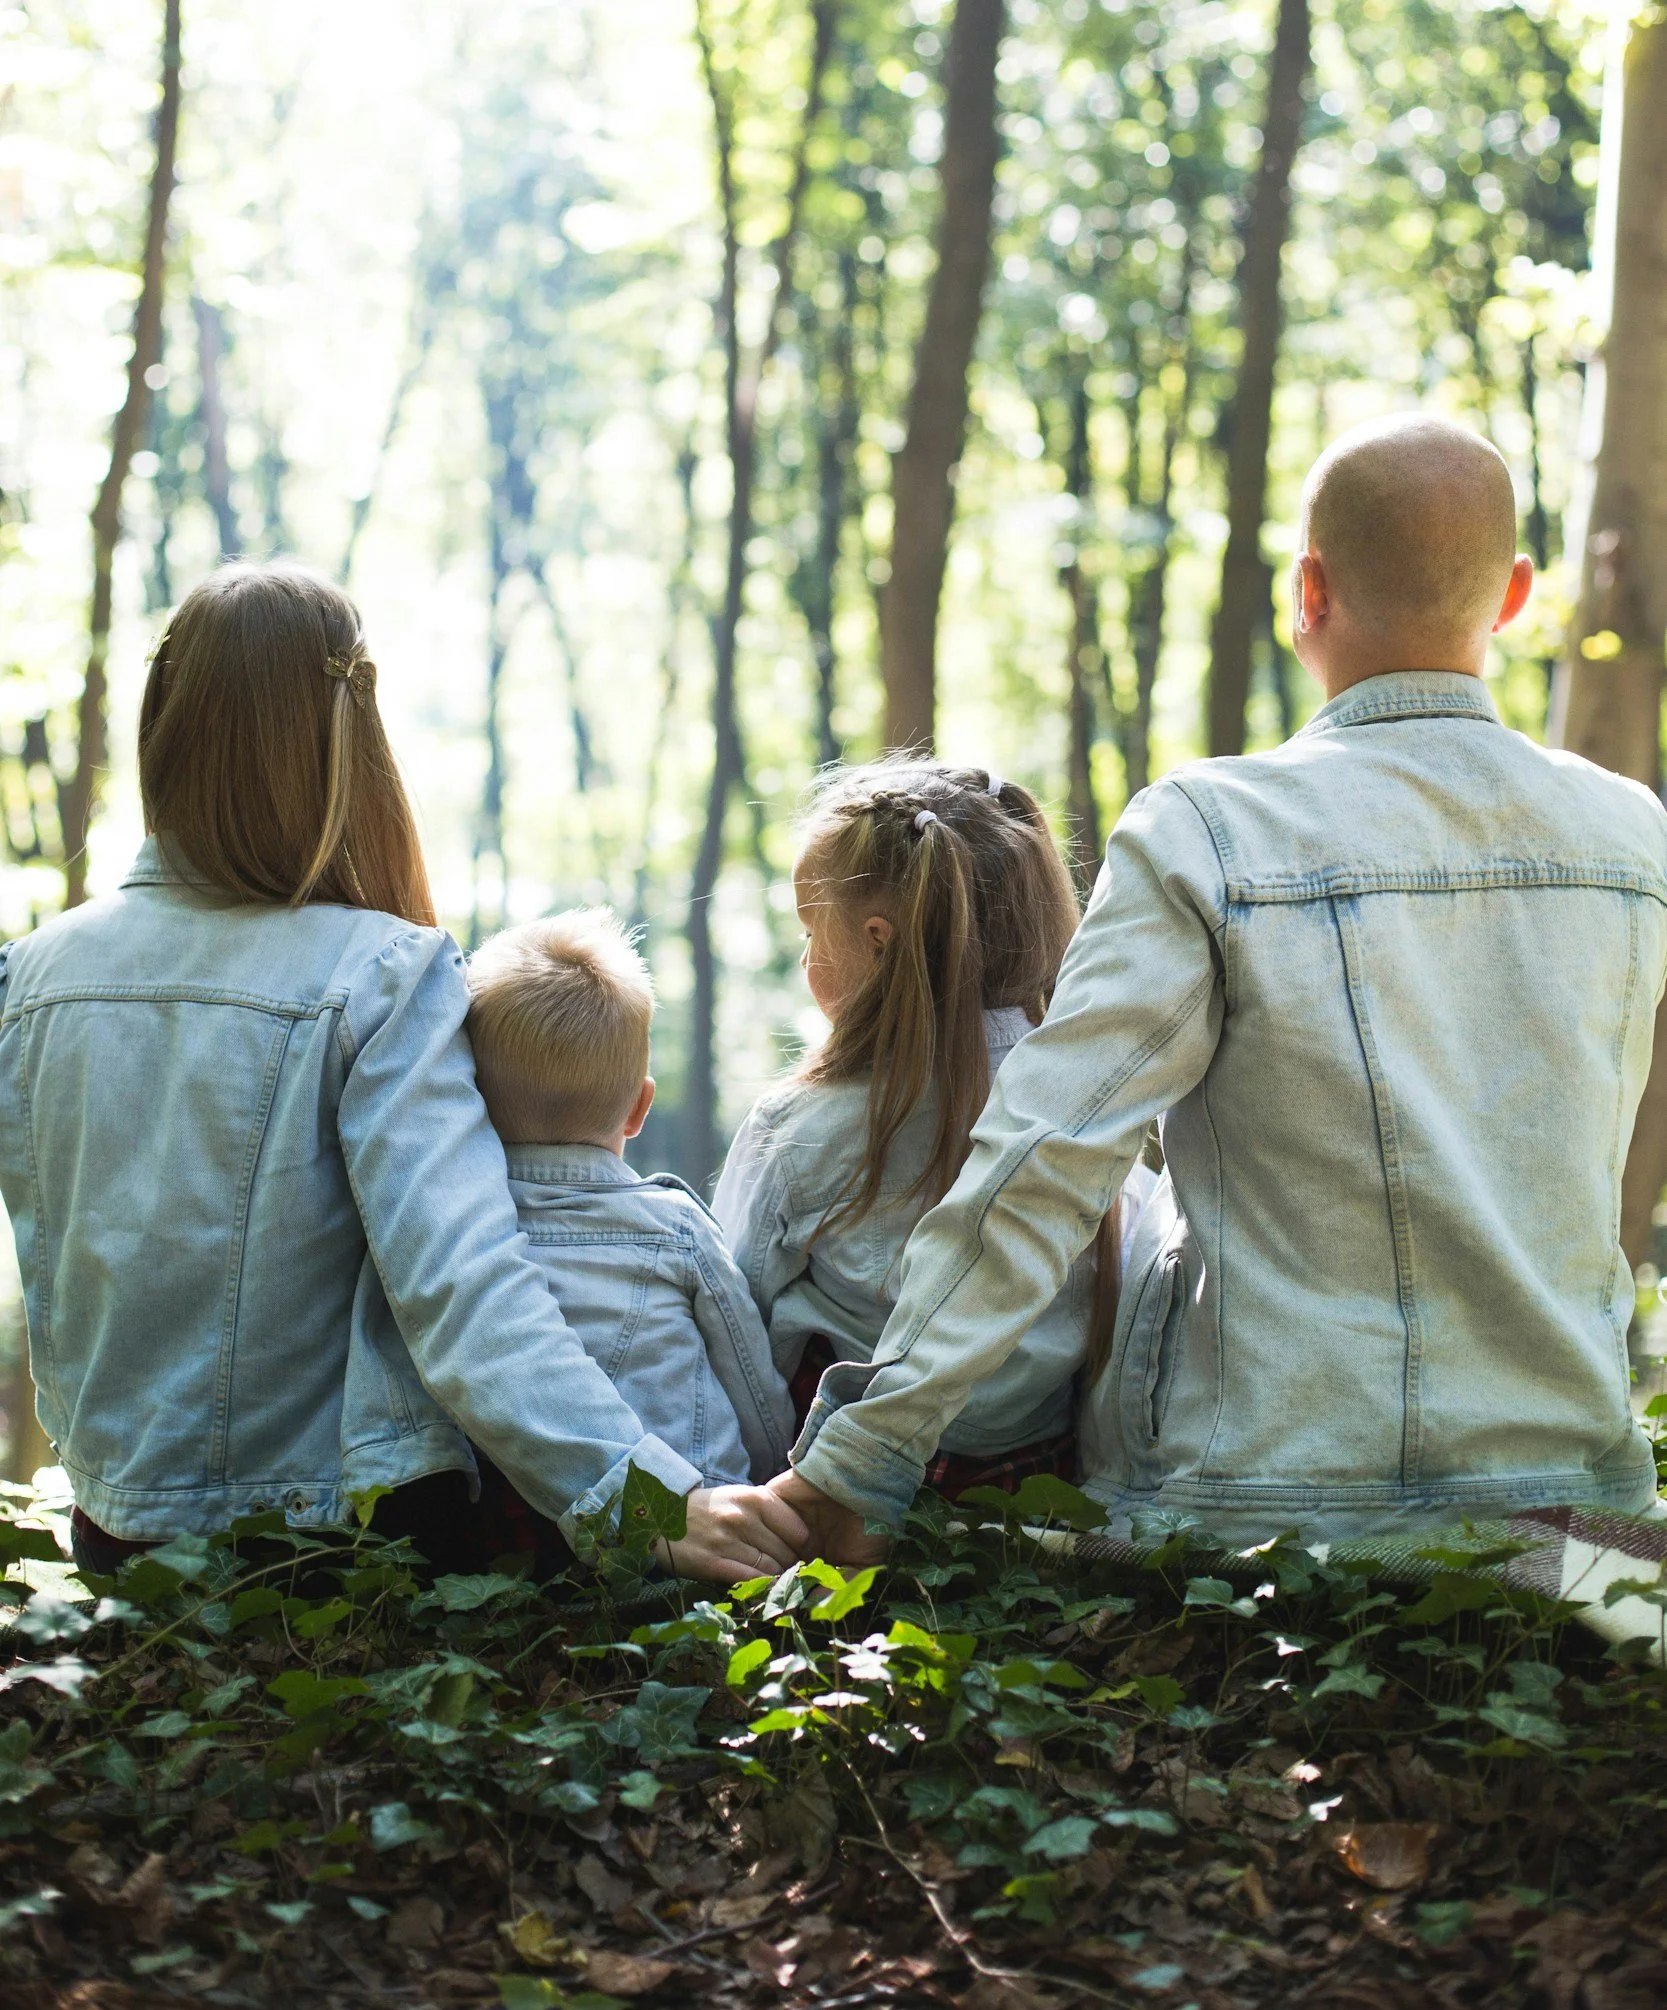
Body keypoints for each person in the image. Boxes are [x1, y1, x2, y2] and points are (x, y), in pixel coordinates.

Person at [774, 416, 1667, 1559]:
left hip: (1256, 1499)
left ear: (1306, 590)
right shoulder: (1631, 836)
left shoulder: (1209, 831)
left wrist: (863, 1458)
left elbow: (1043, 1157)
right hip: (1572, 1505)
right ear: (1513, 598)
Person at [0, 562, 805, 1584]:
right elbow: (461, 1285)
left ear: (163, 721)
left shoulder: (28, 974)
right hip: (327, 1548)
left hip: (116, 1539)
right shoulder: (380, 973)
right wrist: (644, 1498)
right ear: (347, 741)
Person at [715, 760, 1150, 1497]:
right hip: (1037, 1484)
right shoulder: (1092, 1109)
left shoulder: (798, 1126)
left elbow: (733, 1319)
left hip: (833, 1489)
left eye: (811, 932)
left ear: (877, 942)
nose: (803, 957)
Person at [465, 910, 791, 1496]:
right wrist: (770, 1476)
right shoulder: (676, 1228)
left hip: (520, 1532)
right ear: (640, 1109)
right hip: (695, 1517)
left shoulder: (458, 1233)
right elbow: (754, 1390)